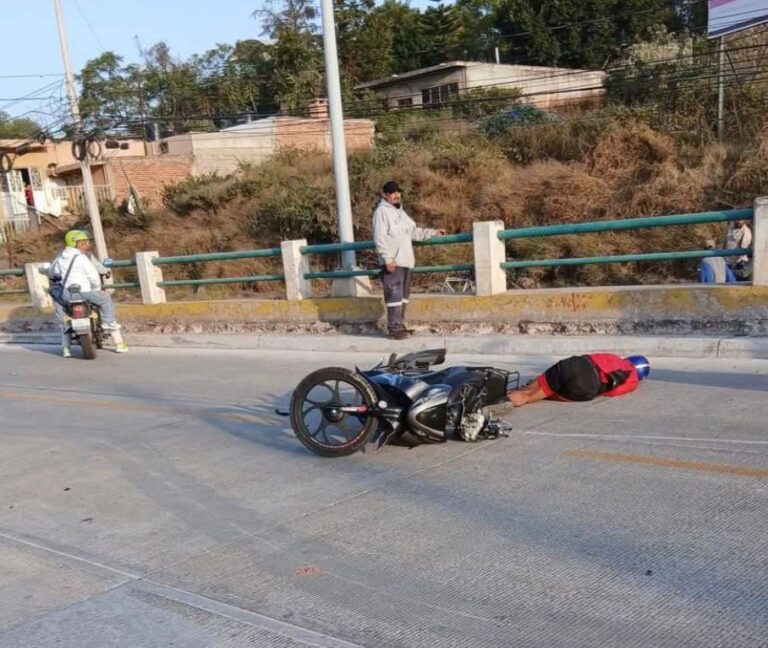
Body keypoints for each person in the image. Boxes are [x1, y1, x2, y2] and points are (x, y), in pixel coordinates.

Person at [372, 181, 446, 340]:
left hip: (405, 261)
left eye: (398, 192)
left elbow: (414, 232)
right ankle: (394, 329)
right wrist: (387, 259)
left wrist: (433, 232)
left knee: (403, 296)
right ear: (384, 195)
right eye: (392, 193)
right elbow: (379, 238)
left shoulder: (401, 213)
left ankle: (400, 325)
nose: (396, 195)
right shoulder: (381, 212)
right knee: (393, 295)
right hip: (393, 262)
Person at [49, 229, 128, 357]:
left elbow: (53, 273)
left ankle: (66, 346)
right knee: (105, 300)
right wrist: (97, 289)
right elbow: (93, 276)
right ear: (76, 244)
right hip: (85, 292)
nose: (86, 244)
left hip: (67, 294)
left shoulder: (60, 257)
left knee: (59, 303)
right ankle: (109, 326)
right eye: (83, 242)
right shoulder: (83, 257)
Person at [507, 353, 650, 407]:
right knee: (540, 394)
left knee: (528, 392)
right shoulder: (632, 384)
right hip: (586, 390)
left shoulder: (616, 359)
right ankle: (512, 399)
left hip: (579, 366)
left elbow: (590, 357)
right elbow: (609, 393)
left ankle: (497, 400)